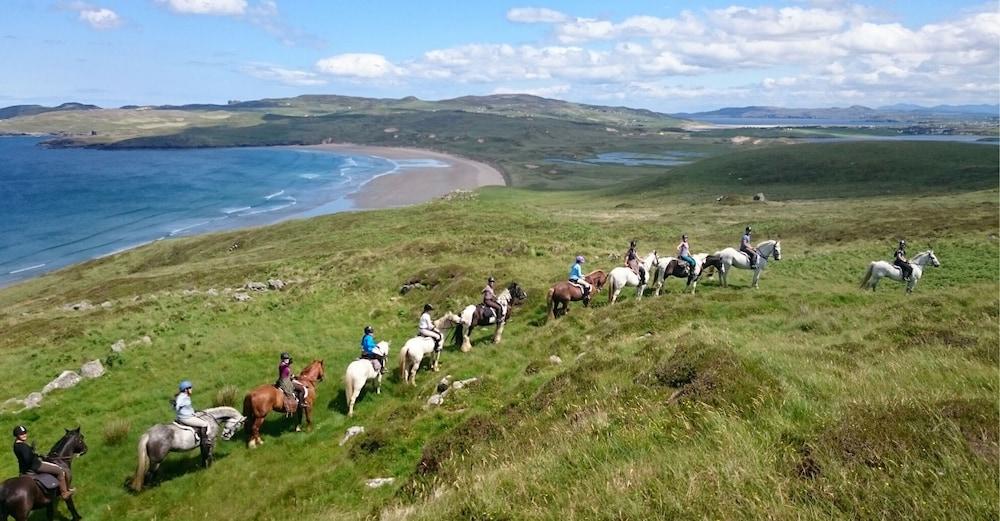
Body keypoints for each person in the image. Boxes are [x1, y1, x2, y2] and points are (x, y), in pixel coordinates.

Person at [12, 425, 74, 499]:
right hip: (35, 466)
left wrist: (32, 452)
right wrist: (34, 455)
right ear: (17, 435)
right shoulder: (22, 446)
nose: (24, 435)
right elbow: (28, 458)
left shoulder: (16, 445)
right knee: (59, 470)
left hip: (25, 468)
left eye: (25, 433)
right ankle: (65, 493)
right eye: (21, 434)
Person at [174, 380, 211, 461]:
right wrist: (177, 405)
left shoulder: (184, 396)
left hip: (186, 416)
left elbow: (187, 407)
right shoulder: (182, 397)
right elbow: (178, 405)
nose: (191, 389)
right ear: (185, 389)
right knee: (205, 424)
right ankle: (204, 442)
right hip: (186, 418)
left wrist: (194, 412)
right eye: (190, 388)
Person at [275, 352, 302, 417]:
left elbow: (288, 373)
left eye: (287, 358)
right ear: (282, 359)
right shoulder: (282, 365)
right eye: (285, 358)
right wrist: (288, 364)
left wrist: (293, 376)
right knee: (296, 390)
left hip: (288, 379)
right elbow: (283, 367)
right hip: (284, 382)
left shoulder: (286, 365)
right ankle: (297, 404)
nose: (286, 359)